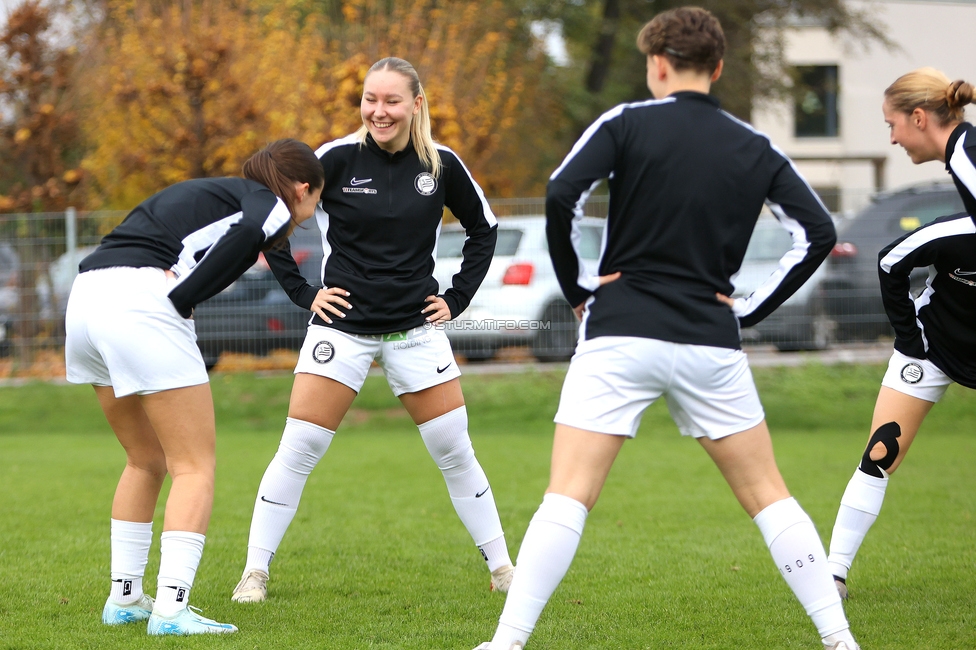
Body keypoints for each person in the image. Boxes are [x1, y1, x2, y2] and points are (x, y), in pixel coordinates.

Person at [475, 7, 861, 650]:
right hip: (711, 338)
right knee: (770, 495)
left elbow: (561, 192)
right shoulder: (756, 146)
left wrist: (576, 290)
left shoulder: (624, 122)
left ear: (657, 65)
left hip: (621, 330)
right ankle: (839, 638)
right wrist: (751, 310)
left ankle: (508, 642)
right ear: (716, 68)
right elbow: (818, 233)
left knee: (568, 495)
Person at [231, 57, 513, 604]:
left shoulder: (443, 164)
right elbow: (274, 222)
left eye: (391, 101)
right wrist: (303, 292)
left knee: (455, 451)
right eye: (369, 99)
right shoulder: (333, 158)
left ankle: (503, 569)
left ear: (416, 104)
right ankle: (254, 573)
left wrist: (456, 299)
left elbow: (486, 229)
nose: (378, 111)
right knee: (300, 447)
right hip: (343, 328)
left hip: (415, 329)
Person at [65, 139, 325, 635]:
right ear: (302, 187)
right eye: (316, 200)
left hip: (86, 300)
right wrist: (184, 298)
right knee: (194, 466)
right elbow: (253, 231)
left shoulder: (211, 190)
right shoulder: (272, 202)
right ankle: (170, 610)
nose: (310, 212)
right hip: (141, 302)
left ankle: (125, 599)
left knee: (145, 458)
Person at [827, 69, 975, 599]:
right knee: (881, 453)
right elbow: (892, 262)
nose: (890, 137)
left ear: (918, 118)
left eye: (891, 124)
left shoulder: (964, 151)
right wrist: (910, 341)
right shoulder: (961, 163)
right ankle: (834, 574)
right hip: (934, 345)